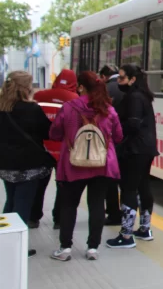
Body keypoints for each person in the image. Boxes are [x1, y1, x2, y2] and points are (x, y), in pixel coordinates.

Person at [49, 72, 122, 261]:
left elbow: (55, 133)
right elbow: (119, 136)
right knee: (97, 204)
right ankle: (92, 248)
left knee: (69, 205)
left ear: (81, 87)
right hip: (102, 164)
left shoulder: (68, 108)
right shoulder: (108, 109)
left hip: (73, 164)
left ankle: (65, 248)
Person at [0, 71, 54, 257]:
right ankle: (16, 248)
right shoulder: (32, 109)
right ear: (25, 87)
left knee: (11, 200)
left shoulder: (1, 107)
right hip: (29, 165)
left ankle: (4, 239)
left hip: (5, 164)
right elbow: (48, 132)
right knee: (22, 204)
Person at [107, 64, 158, 249]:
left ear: (132, 79)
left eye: (121, 78)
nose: (118, 81)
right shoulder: (143, 96)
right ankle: (145, 228)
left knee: (128, 188)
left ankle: (126, 235)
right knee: (144, 186)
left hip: (134, 149)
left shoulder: (133, 97)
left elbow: (133, 124)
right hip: (147, 148)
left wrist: (117, 133)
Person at [30, 69, 79, 229]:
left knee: (38, 184)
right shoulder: (75, 99)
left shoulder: (39, 96)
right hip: (64, 149)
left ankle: (33, 217)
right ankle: (59, 219)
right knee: (63, 185)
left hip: (42, 147)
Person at [99, 64, 123, 226]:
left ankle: (113, 213)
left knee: (109, 181)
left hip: (109, 142)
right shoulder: (128, 88)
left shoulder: (105, 90)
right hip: (127, 141)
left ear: (104, 77)